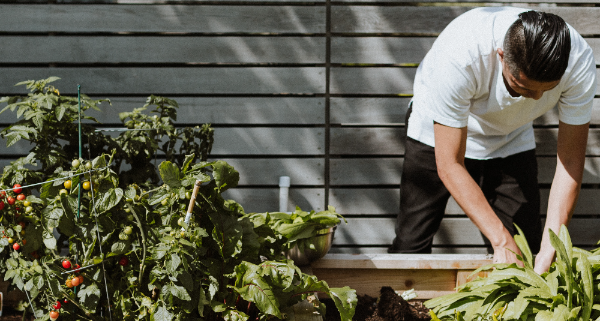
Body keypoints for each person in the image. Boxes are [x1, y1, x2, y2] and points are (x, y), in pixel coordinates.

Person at [388, 6, 597, 274]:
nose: (535, 99)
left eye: (546, 91)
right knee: (410, 245)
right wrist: (500, 240)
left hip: (510, 136)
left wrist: (551, 245)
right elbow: (450, 164)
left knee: (524, 250)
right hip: (435, 133)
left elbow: (569, 161)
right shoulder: (461, 55)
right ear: (501, 57)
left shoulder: (578, 61)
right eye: (521, 87)